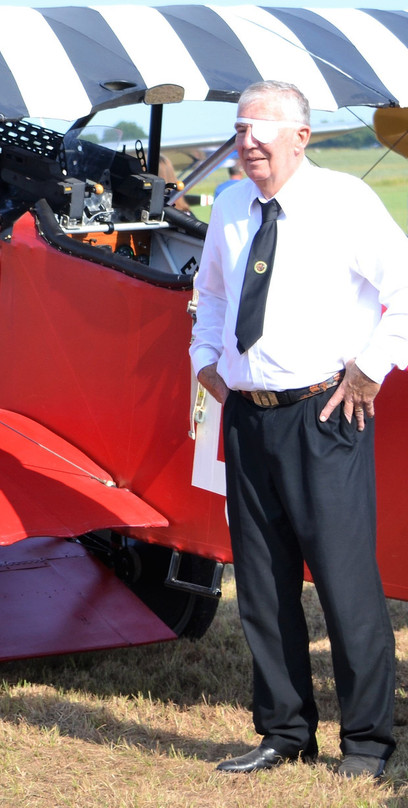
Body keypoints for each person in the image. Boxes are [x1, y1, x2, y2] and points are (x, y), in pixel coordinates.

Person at [190, 80, 408, 780]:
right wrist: (205, 358)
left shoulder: (345, 202)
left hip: (326, 414)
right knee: (260, 583)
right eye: (239, 127)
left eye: (260, 128)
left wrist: (371, 368)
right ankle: (284, 732)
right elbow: (216, 294)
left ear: (301, 137)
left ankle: (369, 745)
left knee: (345, 586)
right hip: (248, 420)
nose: (246, 140)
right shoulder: (227, 204)